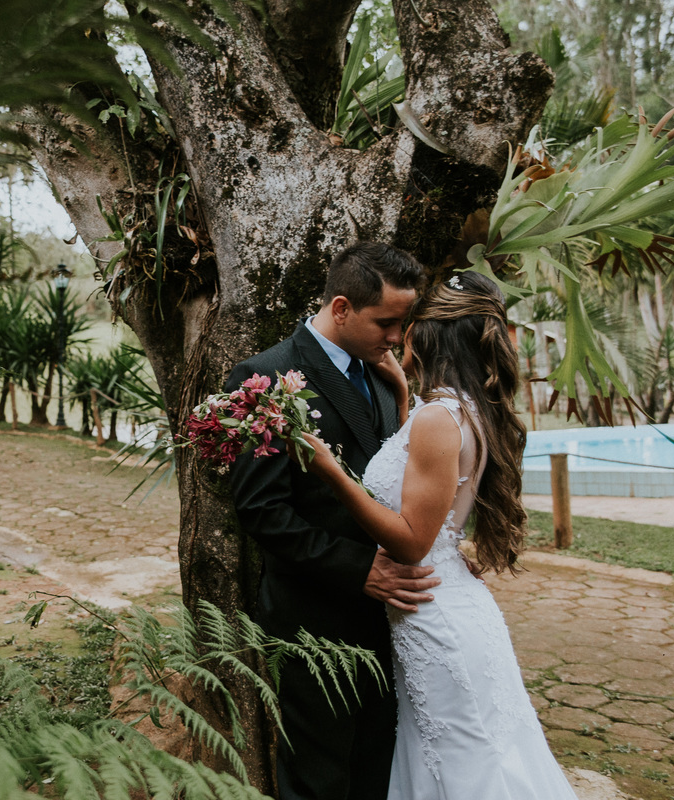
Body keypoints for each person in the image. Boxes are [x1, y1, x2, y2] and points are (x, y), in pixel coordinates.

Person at [298, 270, 579, 799]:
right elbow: (418, 476)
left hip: (435, 617)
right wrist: (404, 396)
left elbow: (410, 541)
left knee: (466, 768)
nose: (401, 335)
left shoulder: (440, 418)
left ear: (431, 335)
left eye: (411, 326)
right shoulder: (460, 409)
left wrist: (331, 471)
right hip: (446, 604)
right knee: (470, 759)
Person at [227, 242, 438, 800]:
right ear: (341, 307)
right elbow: (263, 512)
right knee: (319, 776)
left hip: (388, 619)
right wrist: (358, 567)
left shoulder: (386, 376)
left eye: (403, 323)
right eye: (386, 322)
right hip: (314, 615)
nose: (397, 338)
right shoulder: (265, 377)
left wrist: (403, 397)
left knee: (376, 765)